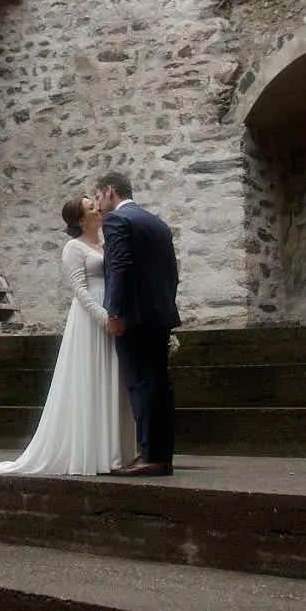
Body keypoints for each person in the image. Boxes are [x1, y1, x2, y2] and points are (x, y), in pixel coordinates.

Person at [0, 195, 136, 475]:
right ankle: (91, 452)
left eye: (96, 205)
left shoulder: (105, 242)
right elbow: (80, 290)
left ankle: (115, 450)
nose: (98, 209)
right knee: (91, 378)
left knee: (113, 378)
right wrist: (103, 317)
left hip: (112, 312)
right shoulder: (74, 247)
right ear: (81, 220)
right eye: (92, 208)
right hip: (90, 318)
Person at [95, 170, 180, 476]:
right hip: (160, 315)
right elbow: (172, 271)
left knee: (141, 384)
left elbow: (119, 265)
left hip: (134, 317)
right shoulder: (157, 223)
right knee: (160, 384)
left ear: (109, 192)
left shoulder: (116, 220)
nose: (98, 205)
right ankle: (161, 454)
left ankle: (151, 457)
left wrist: (114, 311)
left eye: (98, 197)